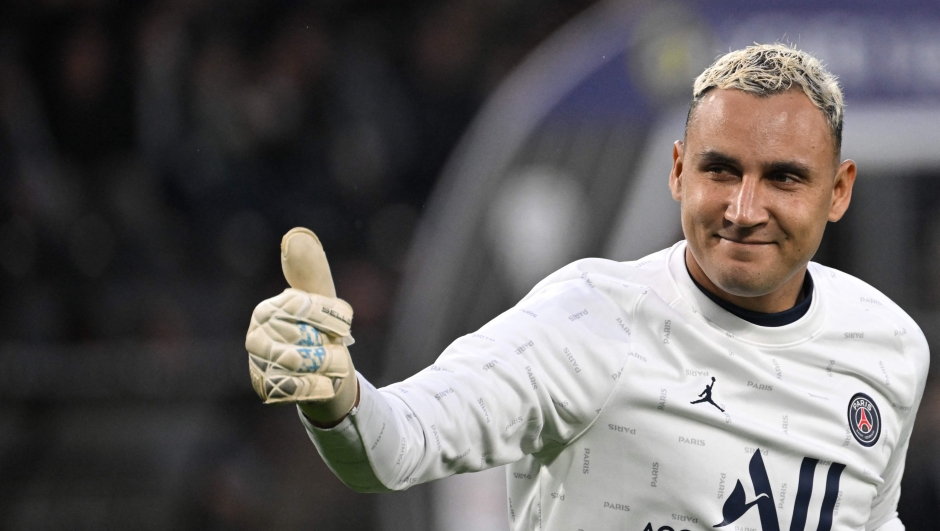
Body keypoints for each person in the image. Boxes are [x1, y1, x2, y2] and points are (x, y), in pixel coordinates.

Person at [245, 43, 929, 531]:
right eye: (720, 170)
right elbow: (395, 444)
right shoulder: (590, 320)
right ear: (678, 172)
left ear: (838, 191)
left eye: (784, 177)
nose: (744, 208)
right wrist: (338, 398)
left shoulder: (889, 345)